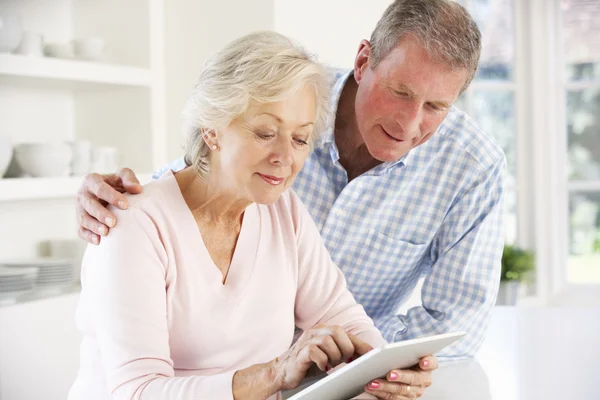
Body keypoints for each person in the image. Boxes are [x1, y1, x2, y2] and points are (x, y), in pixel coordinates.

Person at [77, 0, 505, 361]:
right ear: (363, 61)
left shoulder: (472, 167)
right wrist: (121, 203)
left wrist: (352, 359)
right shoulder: (295, 96)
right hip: (241, 370)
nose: (409, 123)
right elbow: (206, 169)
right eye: (400, 92)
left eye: (435, 106)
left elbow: (455, 321)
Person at [68, 31, 436, 400]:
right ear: (212, 128)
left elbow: (341, 315)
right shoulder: (133, 225)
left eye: (299, 139)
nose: (285, 157)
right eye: (264, 132)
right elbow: (137, 392)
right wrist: (275, 374)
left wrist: (386, 370)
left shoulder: (284, 212)